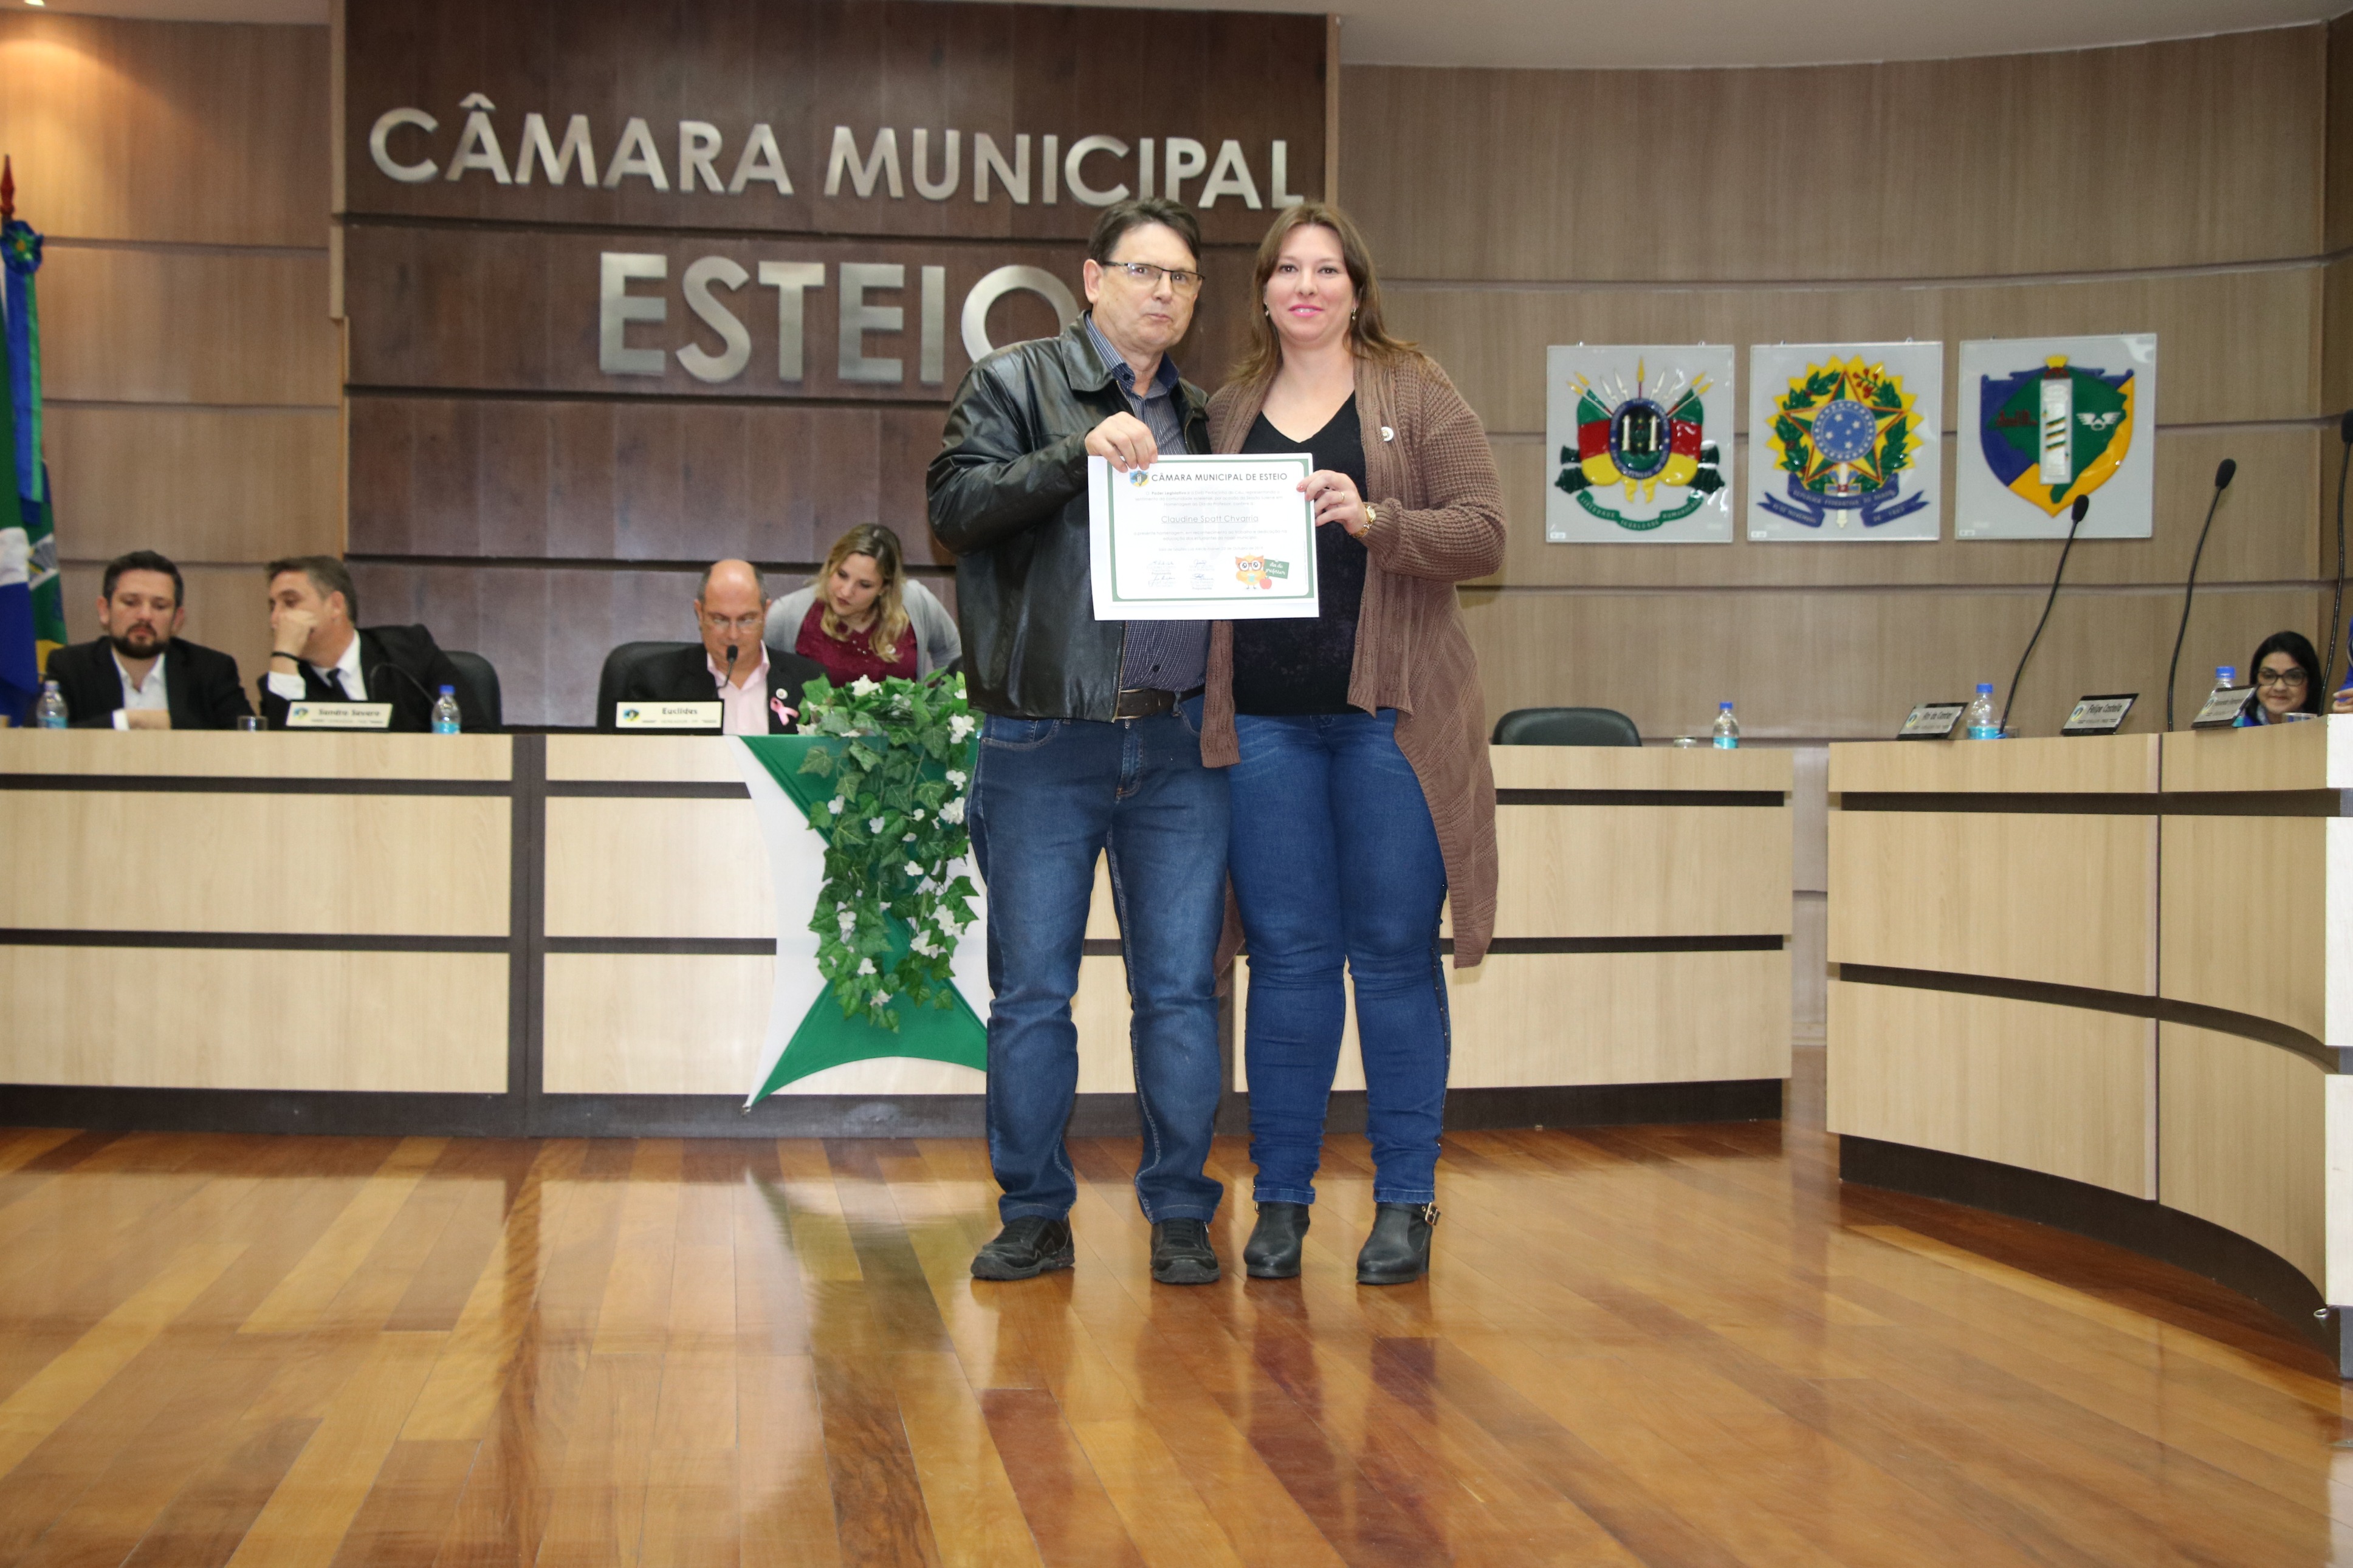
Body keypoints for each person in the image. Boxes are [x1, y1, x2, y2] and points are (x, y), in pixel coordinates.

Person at [1201, 202, 1506, 1287]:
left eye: (1326, 269)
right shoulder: (1227, 409)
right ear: (1264, 292)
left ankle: (1405, 1199)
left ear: (1357, 288)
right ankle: (1281, 1200)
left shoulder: (1413, 390)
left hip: (1391, 725)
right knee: (1286, 964)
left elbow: (1485, 532)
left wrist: (1379, 520)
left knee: (1389, 957)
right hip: (1264, 729)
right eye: (1287, 268)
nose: (1306, 286)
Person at [927, 197, 1229, 1286]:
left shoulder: (1208, 416)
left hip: (1178, 743)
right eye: (1144, 271)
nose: (1163, 292)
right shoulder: (1012, 382)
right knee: (1032, 997)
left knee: (1183, 995)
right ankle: (1034, 1213)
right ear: (1093, 279)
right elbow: (954, 510)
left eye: (1182, 278)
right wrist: (1073, 455)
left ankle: (1182, 1211)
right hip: (1041, 742)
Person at [258, 556, 487, 733]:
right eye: (272, 608)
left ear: (336, 605)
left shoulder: (409, 651)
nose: (275, 619)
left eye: (290, 603)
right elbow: (280, 761)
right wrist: (284, 655)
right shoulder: (284, 681)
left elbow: (474, 733)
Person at [608, 559, 825, 734]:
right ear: (700, 613)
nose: (733, 634)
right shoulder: (654, 682)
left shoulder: (809, 680)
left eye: (746, 620)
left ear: (765, 613)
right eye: (720, 620)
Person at [43, 550, 252, 729]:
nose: (145, 616)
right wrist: (126, 720)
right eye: (131, 602)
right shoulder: (70, 667)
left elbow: (246, 741)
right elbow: (42, 738)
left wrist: (171, 722)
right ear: (105, 610)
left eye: (160, 606)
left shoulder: (211, 671)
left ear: (177, 619)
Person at [763, 524, 960, 685]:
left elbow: (952, 652)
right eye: (842, 575)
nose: (846, 591)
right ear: (830, 564)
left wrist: (939, 705)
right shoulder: (788, 614)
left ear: (885, 588)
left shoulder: (917, 602)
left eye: (865, 585)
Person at [2242, 629, 2324, 725]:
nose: (2279, 687)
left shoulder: (2324, 729)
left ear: (2310, 682)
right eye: (2268, 676)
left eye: (2293, 677)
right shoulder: (2236, 727)